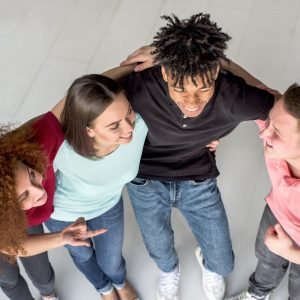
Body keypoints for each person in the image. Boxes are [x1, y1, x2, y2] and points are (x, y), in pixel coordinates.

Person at [117, 13, 276, 300]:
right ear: (164, 72)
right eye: (179, 88)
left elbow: (280, 106)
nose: (192, 102)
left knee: (224, 262)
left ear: (215, 72)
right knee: (159, 247)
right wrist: (155, 54)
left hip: (198, 180)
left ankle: (208, 262)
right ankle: (169, 271)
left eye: (203, 87)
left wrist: (224, 61)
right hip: (145, 179)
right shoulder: (138, 88)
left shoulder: (234, 97)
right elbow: (84, 94)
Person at [45, 74, 148, 300]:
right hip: (64, 213)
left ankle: (119, 281)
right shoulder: (62, 150)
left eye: (128, 111)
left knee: (111, 260)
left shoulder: (140, 125)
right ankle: (104, 289)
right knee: (82, 256)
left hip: (108, 205)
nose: (129, 127)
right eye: (114, 126)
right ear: (88, 130)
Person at [0, 106, 106, 300]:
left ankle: (48, 294)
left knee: (42, 274)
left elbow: (75, 100)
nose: (40, 192)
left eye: (31, 175)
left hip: (22, 222)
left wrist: (133, 73)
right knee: (8, 279)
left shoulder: (31, 148)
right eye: (23, 196)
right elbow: (11, 247)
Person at [217, 62, 300, 299]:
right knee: (266, 258)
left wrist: (292, 253)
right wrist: (216, 58)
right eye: (269, 122)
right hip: (276, 211)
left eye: (277, 133)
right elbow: (249, 83)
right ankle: (258, 292)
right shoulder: (281, 116)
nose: (264, 134)